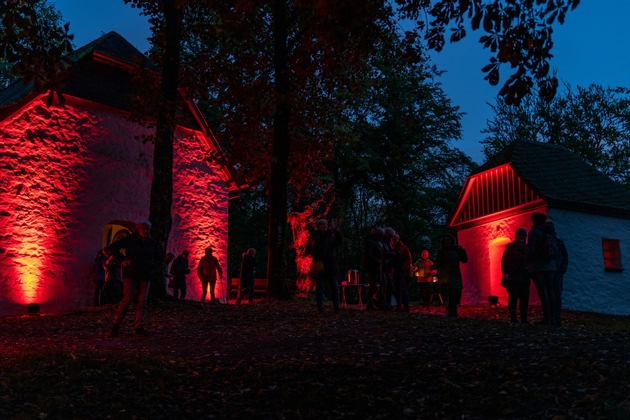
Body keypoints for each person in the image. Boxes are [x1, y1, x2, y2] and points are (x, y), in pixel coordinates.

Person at [110, 220, 163, 337]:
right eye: (143, 229)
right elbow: (114, 247)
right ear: (139, 229)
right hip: (131, 273)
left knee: (142, 301)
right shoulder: (130, 240)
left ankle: (139, 326)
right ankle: (116, 325)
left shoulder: (153, 243)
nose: (145, 231)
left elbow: (160, 258)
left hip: (145, 274)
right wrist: (122, 261)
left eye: (147, 229)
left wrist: (152, 266)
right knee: (127, 299)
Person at [526, 212, 557, 325]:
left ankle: (547, 318)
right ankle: (554, 318)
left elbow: (531, 250)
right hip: (551, 266)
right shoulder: (550, 231)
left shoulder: (534, 232)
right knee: (551, 291)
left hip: (538, 266)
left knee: (542, 292)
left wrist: (528, 260)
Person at [309, 218, 342, 314]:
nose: (324, 226)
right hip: (321, 266)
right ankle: (320, 308)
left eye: (325, 224)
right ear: (318, 226)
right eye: (322, 224)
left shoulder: (330, 236)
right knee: (320, 288)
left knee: (335, 288)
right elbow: (319, 241)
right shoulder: (315, 235)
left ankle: (336, 308)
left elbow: (338, 242)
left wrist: (336, 232)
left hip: (331, 265)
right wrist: (330, 232)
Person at [500, 228, 531, 323]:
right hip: (513, 277)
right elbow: (505, 261)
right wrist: (506, 273)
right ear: (516, 236)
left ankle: (524, 319)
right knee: (513, 298)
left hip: (525, 277)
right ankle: (513, 318)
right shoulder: (510, 247)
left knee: (524, 299)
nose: (522, 237)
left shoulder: (528, 248)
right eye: (520, 235)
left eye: (523, 235)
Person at [434, 234, 468, 318]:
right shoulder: (442, 251)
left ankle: (452, 309)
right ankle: (451, 310)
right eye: (445, 240)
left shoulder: (456, 250)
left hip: (455, 274)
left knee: (455, 293)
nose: (447, 242)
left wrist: (462, 251)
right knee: (449, 293)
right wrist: (436, 271)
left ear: (451, 241)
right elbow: (438, 262)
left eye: (448, 240)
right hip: (445, 275)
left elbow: (464, 260)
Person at [363, 227, 385, 310]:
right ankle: (369, 304)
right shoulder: (370, 242)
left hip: (377, 266)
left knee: (375, 285)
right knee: (372, 285)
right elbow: (368, 255)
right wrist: (377, 260)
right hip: (372, 267)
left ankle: (375, 302)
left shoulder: (377, 242)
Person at [390, 233, 412, 312]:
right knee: (396, 289)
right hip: (395, 271)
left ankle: (405, 306)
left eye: (394, 239)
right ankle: (399, 305)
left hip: (402, 271)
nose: (393, 241)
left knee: (403, 288)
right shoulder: (393, 249)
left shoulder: (403, 248)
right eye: (392, 239)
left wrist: (404, 267)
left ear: (398, 239)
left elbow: (409, 259)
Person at [553, 236, 569, 326]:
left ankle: (554, 318)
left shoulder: (559, 242)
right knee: (555, 295)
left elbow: (565, 255)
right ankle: (555, 318)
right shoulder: (559, 242)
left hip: (555, 272)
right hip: (555, 272)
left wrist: (563, 268)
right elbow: (565, 256)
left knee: (555, 295)